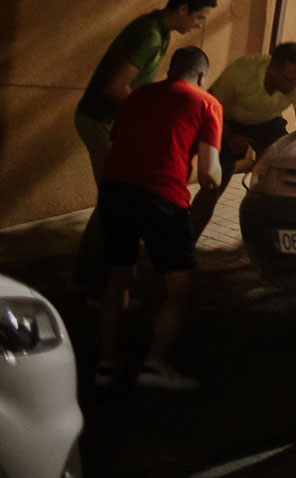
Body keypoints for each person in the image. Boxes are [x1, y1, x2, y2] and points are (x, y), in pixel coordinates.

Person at [73, 0, 218, 298]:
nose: (198, 25)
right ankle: (97, 289)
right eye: (199, 17)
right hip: (100, 121)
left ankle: (86, 277)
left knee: (112, 200)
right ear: (183, 9)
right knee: (114, 201)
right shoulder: (150, 34)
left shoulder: (159, 31)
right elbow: (116, 88)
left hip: (108, 120)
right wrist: (146, 117)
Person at [94, 46, 223, 391]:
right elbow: (210, 173)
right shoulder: (206, 103)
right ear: (200, 77)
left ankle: (105, 365)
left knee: (119, 276)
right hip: (163, 196)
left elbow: (117, 138)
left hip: (115, 189)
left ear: (172, 70)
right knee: (178, 287)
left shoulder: (137, 97)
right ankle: (154, 365)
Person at [188, 42, 296, 236]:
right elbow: (209, 107)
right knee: (214, 184)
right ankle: (186, 241)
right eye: (290, 79)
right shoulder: (243, 71)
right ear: (274, 71)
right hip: (227, 120)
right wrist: (229, 136)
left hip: (268, 123)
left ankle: (274, 239)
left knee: (282, 178)